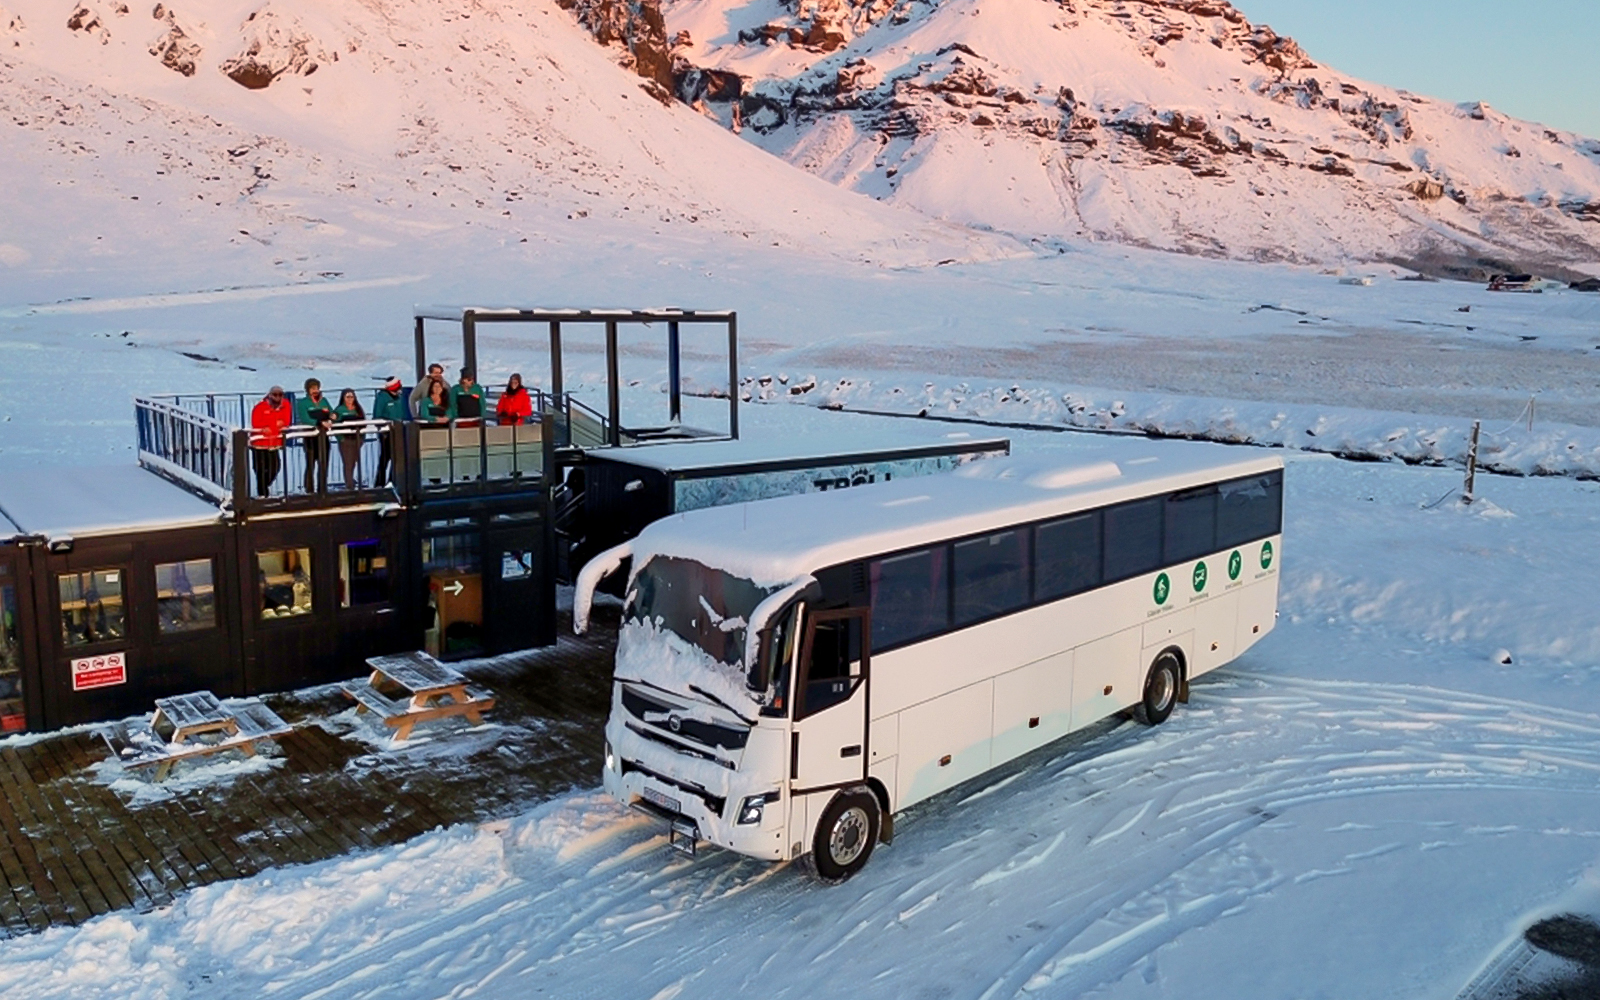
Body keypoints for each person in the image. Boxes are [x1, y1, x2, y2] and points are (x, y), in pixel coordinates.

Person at [249, 386, 292, 497]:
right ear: (270, 395)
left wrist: (272, 427)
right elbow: (256, 423)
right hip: (260, 443)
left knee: (275, 467)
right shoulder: (260, 407)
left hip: (274, 443)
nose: (277, 397)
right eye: (275, 394)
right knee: (260, 469)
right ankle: (263, 493)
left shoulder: (285, 405)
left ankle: (264, 487)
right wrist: (273, 426)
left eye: (280, 394)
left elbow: (285, 422)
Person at [294, 377, 334, 493]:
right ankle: (309, 489)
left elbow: (330, 412)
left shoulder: (324, 401)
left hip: (323, 436)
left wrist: (332, 418)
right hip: (311, 437)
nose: (315, 391)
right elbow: (305, 418)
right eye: (312, 388)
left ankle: (322, 488)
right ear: (307, 390)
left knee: (324, 463)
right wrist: (318, 422)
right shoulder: (303, 403)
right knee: (311, 463)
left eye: (316, 388)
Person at [371, 376, 407, 488]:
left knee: (397, 457)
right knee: (386, 457)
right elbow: (377, 415)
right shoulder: (382, 397)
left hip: (399, 430)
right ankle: (379, 482)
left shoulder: (400, 397)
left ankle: (393, 480)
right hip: (387, 432)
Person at [333, 388, 366, 489]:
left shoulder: (358, 409)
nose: (350, 399)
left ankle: (352, 481)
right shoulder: (339, 410)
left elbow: (363, 423)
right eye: (347, 397)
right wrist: (340, 438)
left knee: (354, 462)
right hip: (345, 441)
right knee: (348, 462)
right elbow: (334, 425)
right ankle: (349, 484)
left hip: (357, 440)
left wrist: (362, 438)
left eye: (352, 397)